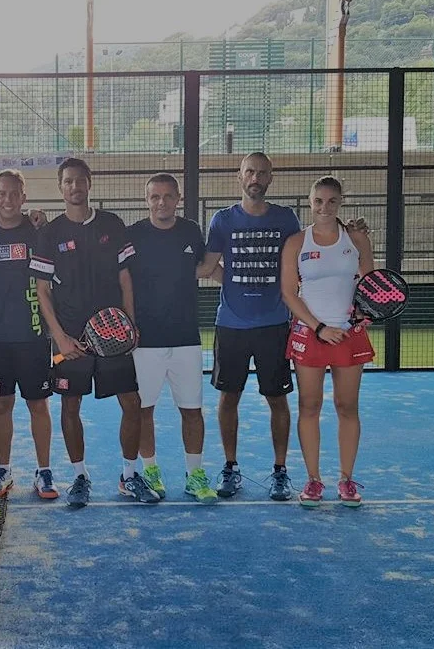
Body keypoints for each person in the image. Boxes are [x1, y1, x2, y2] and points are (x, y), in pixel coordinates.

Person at [30, 157, 158, 507]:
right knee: (70, 406)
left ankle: (129, 477)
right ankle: (80, 477)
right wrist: (59, 337)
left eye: (80, 181)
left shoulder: (112, 224)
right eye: (68, 181)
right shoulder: (49, 233)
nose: (75, 187)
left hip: (115, 337)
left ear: (90, 183)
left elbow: (125, 279)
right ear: (61, 187)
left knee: (131, 404)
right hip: (72, 339)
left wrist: (129, 326)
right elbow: (43, 290)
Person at [201, 152, 301, 501]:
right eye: (249, 172)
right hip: (231, 325)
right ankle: (230, 467)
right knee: (229, 397)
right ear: (239, 177)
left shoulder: (287, 219)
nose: (255, 178)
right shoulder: (223, 220)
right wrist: (225, 278)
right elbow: (206, 266)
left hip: (274, 324)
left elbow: (304, 257)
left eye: (261, 173)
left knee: (278, 398)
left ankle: (280, 471)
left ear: (270, 178)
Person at [280, 176, 375, 507]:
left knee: (347, 407)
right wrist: (319, 328)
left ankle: (347, 480)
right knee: (309, 406)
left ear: (341, 202)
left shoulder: (357, 238)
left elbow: (369, 286)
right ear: (310, 202)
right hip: (311, 335)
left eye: (331, 201)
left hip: (350, 335)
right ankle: (313, 480)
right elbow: (289, 294)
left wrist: (361, 314)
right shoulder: (296, 242)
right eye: (318, 201)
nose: (324, 207)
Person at [127, 173, 221, 504]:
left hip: (185, 339)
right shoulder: (133, 234)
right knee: (143, 410)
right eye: (155, 196)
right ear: (146, 199)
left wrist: (243, 284)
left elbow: (205, 267)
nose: (161, 202)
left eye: (168, 196)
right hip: (144, 340)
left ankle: (195, 475)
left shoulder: (191, 231)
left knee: (192, 410)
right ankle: (150, 470)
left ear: (178, 198)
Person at [0, 169, 58, 500]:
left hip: (34, 335)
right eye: (0, 193)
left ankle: (44, 471)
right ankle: (2, 469)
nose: (7, 199)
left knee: (38, 404)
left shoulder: (38, 233)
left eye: (13, 193)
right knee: (1, 406)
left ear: (24, 197)